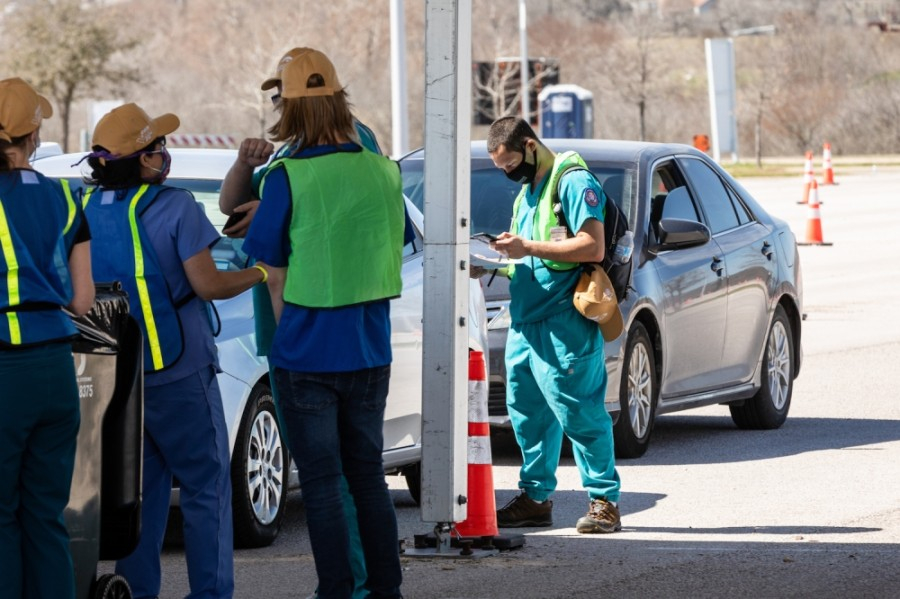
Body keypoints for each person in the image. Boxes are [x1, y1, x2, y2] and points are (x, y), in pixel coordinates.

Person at [81, 102, 270, 599]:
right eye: (157, 147)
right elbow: (207, 285)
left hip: (119, 379)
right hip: (180, 371)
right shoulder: (176, 206)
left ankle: (137, 592)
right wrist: (262, 273)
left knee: (139, 495)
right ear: (141, 159)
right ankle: (210, 594)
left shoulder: (83, 211)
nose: (164, 154)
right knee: (207, 489)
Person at [219, 46, 388, 599]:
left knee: (320, 483)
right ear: (338, 99)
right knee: (366, 478)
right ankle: (387, 591)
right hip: (370, 348)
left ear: (288, 108)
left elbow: (271, 274)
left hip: (306, 353)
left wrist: (289, 337)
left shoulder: (289, 176)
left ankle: (337, 591)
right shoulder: (381, 170)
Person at [474, 116, 622, 534]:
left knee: (580, 413)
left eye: (510, 163)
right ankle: (536, 499)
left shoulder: (572, 181)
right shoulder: (527, 192)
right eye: (501, 168)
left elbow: (593, 245)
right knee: (529, 416)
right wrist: (495, 266)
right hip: (526, 322)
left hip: (563, 324)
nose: (507, 173)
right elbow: (533, 259)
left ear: (530, 145)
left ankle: (604, 501)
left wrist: (526, 246)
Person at [0, 77, 94, 598]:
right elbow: (81, 302)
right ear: (34, 133)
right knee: (45, 515)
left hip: (5, 371)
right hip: (57, 368)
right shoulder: (64, 197)